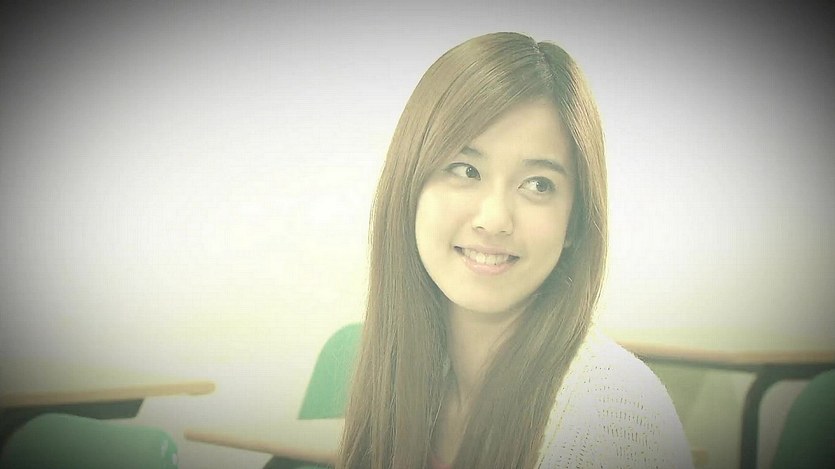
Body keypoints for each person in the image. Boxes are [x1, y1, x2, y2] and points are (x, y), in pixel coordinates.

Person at [336, 32, 694, 469]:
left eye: (538, 184)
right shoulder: (410, 375)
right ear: (409, 186)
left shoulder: (616, 419)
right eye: (466, 170)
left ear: (574, 222)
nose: (494, 219)